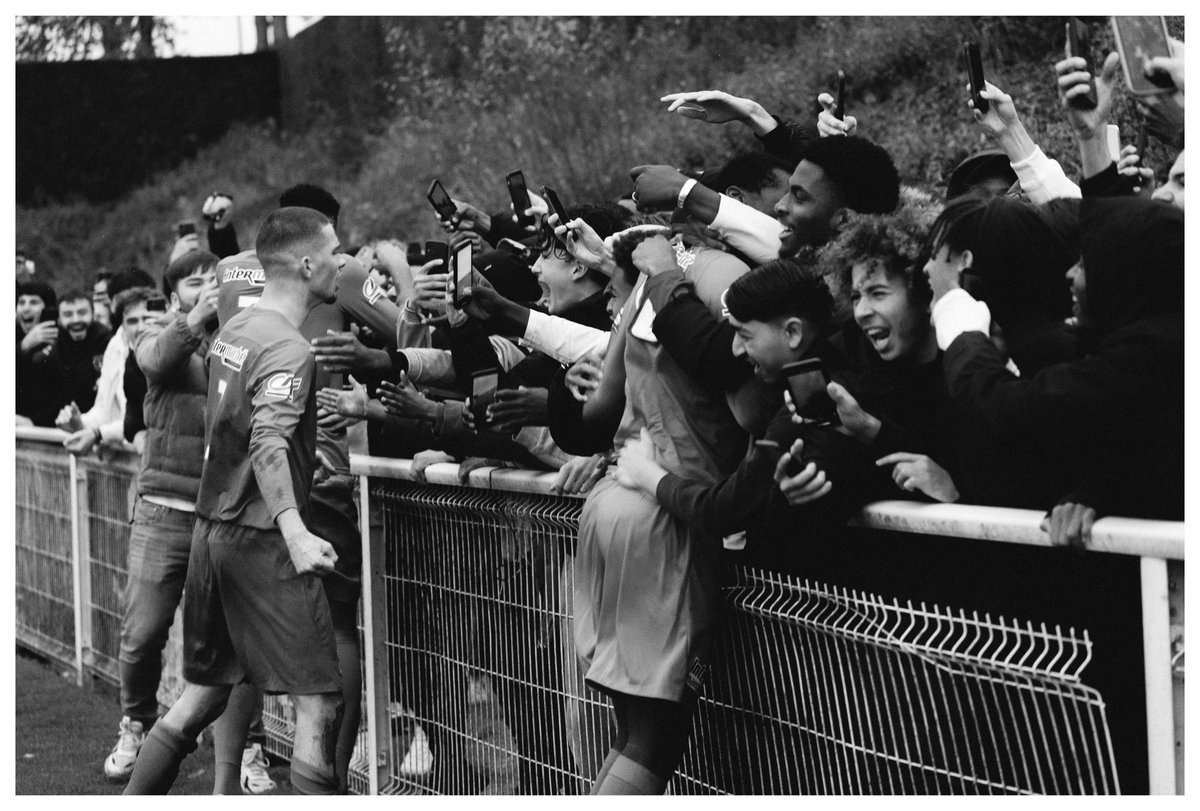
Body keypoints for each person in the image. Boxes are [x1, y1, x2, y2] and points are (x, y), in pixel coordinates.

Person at [123, 206, 346, 795]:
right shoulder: (289, 350)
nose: (342, 261)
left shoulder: (233, 333)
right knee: (320, 702)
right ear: (305, 264)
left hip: (211, 533)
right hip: (263, 540)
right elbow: (268, 442)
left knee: (205, 693)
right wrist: (295, 529)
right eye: (334, 251)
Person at [929, 196, 1183, 546]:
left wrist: (961, 331)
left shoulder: (1147, 356)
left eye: (1085, 263)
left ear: (1121, 274)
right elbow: (1142, 453)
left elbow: (1005, 409)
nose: (1070, 273)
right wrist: (1097, 494)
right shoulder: (1151, 342)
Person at [104, 250, 268, 790]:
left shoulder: (248, 340)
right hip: (164, 512)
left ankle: (248, 749)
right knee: (143, 632)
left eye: (215, 282)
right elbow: (151, 360)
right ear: (175, 293)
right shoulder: (164, 341)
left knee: (238, 645)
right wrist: (199, 316)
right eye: (195, 283)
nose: (209, 290)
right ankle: (138, 725)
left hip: (224, 517)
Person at [50, 289, 111, 414]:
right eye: (68, 314)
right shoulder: (54, 347)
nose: (76, 320)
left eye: (82, 313)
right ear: (59, 320)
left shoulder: (108, 342)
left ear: (93, 314)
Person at [16, 279, 60, 426]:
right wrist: (23, 346)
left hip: (44, 429)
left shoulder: (61, 339)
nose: (25, 308)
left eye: (34, 302)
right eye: (21, 302)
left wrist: (33, 421)